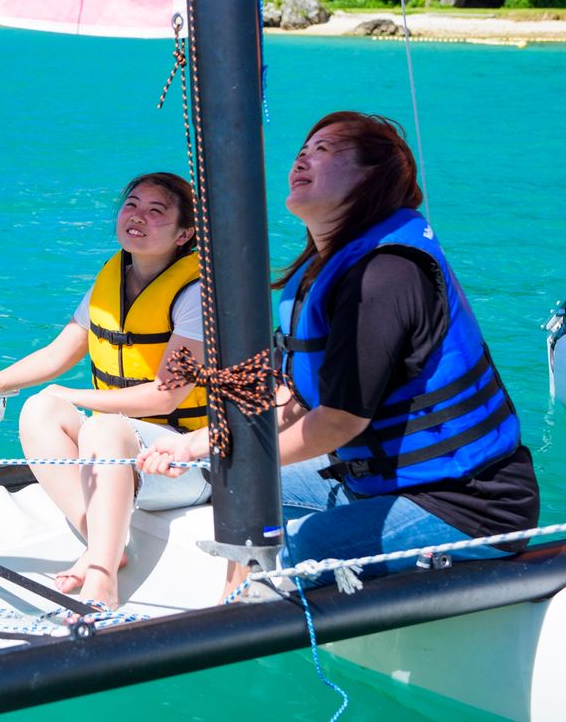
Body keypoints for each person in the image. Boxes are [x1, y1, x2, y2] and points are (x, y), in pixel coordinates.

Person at [139, 111, 539, 588]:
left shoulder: (383, 275)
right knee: (234, 494)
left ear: (372, 177)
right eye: (303, 150)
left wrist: (241, 459)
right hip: (376, 483)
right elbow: (296, 397)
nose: (303, 158)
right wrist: (199, 442)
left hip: (466, 506)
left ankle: (248, 611)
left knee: (280, 555)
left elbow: (339, 421)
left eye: (325, 150)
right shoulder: (325, 271)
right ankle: (243, 601)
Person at [0, 173, 210, 608]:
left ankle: (101, 581)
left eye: (156, 212)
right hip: (128, 453)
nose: (137, 217)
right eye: (132, 205)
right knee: (38, 410)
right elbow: (53, 357)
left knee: (100, 427)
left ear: (185, 235)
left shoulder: (196, 295)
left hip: (183, 463)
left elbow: (165, 397)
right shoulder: (110, 282)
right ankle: (105, 542)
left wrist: (74, 396)